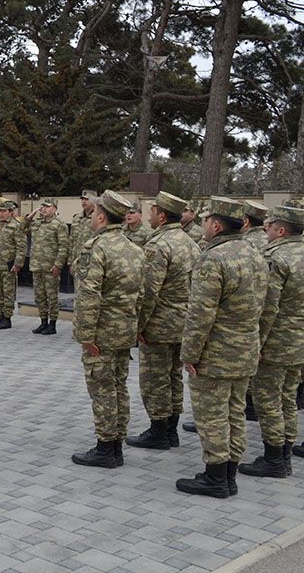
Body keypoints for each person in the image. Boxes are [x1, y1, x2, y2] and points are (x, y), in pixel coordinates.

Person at [176, 197, 267, 498]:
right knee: (235, 412)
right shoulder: (254, 253)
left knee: (212, 415)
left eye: (205, 220)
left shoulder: (213, 259)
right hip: (245, 351)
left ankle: (215, 478)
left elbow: (200, 313)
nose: (203, 225)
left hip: (216, 354)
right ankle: (229, 474)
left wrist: (189, 354)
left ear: (216, 225)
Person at [71, 190, 144, 469]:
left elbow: (89, 295)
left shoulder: (96, 248)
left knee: (102, 389)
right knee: (118, 387)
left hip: (101, 332)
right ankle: (116, 445)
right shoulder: (134, 248)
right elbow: (143, 293)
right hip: (124, 329)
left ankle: (105, 447)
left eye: (93, 214)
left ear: (101, 217)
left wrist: (85, 335)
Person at [127, 191, 201, 450]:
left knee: (155, 379)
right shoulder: (190, 242)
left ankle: (158, 432)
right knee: (173, 377)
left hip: (159, 324)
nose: (149, 216)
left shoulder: (158, 245)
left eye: (152, 211)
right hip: (183, 323)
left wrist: (139, 325)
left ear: (161, 215)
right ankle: (171, 430)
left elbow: (148, 292)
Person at [238, 205, 303, 479]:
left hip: (277, 339)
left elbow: (269, 306)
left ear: (281, 229)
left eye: (269, 226)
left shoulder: (276, 258)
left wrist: (258, 343)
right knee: (288, 397)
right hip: (299, 340)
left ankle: (274, 457)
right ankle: (285, 452)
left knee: (268, 400)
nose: (265, 230)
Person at [25, 199, 69, 335]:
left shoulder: (59, 225)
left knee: (52, 297)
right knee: (39, 296)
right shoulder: (37, 222)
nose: (43, 209)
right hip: (37, 266)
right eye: (42, 206)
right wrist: (30, 217)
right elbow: (22, 229)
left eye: (47, 207)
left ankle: (52, 324)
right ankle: (43, 321)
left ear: (54, 209)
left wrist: (58, 265)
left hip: (50, 267)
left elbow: (63, 247)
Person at [0, 201, 28, 329]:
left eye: (4, 211)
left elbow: (21, 246)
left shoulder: (16, 225)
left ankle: (7, 318)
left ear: (11, 212)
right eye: (0, 211)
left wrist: (18, 263)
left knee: (8, 292)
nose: (1, 213)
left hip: (8, 264)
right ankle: (0, 315)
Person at [68, 190, 96, 273]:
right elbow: (72, 241)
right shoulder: (77, 218)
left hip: (92, 263)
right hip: (76, 262)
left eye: (87, 199)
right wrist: (70, 261)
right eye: (82, 199)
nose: (84, 201)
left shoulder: (98, 218)